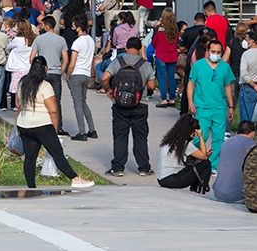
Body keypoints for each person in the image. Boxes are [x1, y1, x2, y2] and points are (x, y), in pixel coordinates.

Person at [14, 55, 94, 190]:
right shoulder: (45, 86)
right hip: (42, 125)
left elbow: (18, 104)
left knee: (30, 157)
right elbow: (53, 111)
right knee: (57, 152)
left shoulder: (22, 83)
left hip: (24, 124)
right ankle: (74, 178)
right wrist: (55, 130)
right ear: (44, 69)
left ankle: (31, 186)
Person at [102, 36, 156, 177]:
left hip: (120, 105)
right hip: (140, 105)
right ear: (139, 49)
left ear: (126, 47)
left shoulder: (118, 61)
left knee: (120, 136)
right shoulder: (145, 64)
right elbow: (151, 86)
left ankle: (118, 168)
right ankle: (144, 167)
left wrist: (109, 91)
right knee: (140, 137)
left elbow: (104, 78)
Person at [187, 38, 236, 171]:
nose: (216, 54)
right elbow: (191, 84)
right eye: (213, 51)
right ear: (207, 51)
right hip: (202, 106)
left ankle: (213, 164)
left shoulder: (225, 67)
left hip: (219, 107)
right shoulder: (198, 66)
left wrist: (231, 107)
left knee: (219, 138)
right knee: (200, 135)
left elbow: (228, 87)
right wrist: (190, 101)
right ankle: (191, 155)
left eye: (218, 52)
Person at [30, 14, 69, 132]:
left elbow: (31, 57)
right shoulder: (61, 40)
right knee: (57, 100)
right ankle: (58, 127)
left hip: (42, 72)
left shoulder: (39, 39)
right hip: (56, 72)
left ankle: (41, 124)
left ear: (46, 26)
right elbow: (65, 59)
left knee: (40, 98)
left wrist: (35, 70)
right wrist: (61, 71)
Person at [157, 113, 212, 192]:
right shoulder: (184, 143)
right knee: (206, 163)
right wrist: (201, 136)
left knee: (196, 160)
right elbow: (204, 156)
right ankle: (200, 188)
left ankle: (196, 188)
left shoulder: (170, 140)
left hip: (161, 179)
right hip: (171, 180)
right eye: (194, 133)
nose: (195, 135)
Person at [65, 16, 98, 141]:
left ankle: (82, 132)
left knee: (77, 103)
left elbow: (73, 62)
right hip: (86, 74)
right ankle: (92, 129)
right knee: (83, 102)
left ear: (78, 27)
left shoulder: (77, 42)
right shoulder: (90, 40)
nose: (73, 27)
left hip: (77, 73)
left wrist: (68, 74)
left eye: (74, 25)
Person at [212, 121, 257, 203]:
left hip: (217, 192)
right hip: (237, 196)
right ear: (253, 133)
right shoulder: (255, 146)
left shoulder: (225, 143)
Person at [150, 9, 181, 107]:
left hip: (161, 55)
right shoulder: (175, 30)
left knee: (162, 78)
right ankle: (172, 99)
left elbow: (154, 42)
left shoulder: (159, 29)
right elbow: (177, 43)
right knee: (171, 78)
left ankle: (164, 99)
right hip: (172, 55)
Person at [5, 19, 35, 107]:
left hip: (17, 67)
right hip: (28, 66)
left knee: (17, 88)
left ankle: (17, 106)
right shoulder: (32, 39)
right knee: (27, 87)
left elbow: (8, 47)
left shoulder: (17, 40)